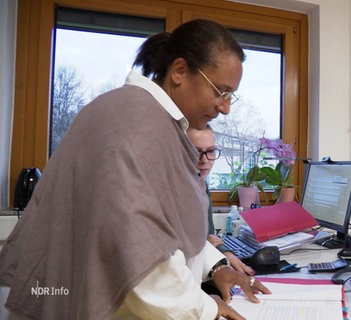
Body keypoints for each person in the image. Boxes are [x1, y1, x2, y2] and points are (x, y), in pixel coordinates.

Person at [0, 19, 270, 320]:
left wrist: (215, 266)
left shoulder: (142, 115)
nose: (225, 107)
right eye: (220, 91)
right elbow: (140, 257)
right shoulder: (137, 124)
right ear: (179, 71)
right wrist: (206, 307)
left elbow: (162, 225)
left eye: (230, 95)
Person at [187, 126, 255, 276]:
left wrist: (224, 253)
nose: (204, 160)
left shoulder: (201, 185)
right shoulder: (174, 192)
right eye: (196, 152)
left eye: (210, 151)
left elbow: (209, 237)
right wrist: (218, 252)